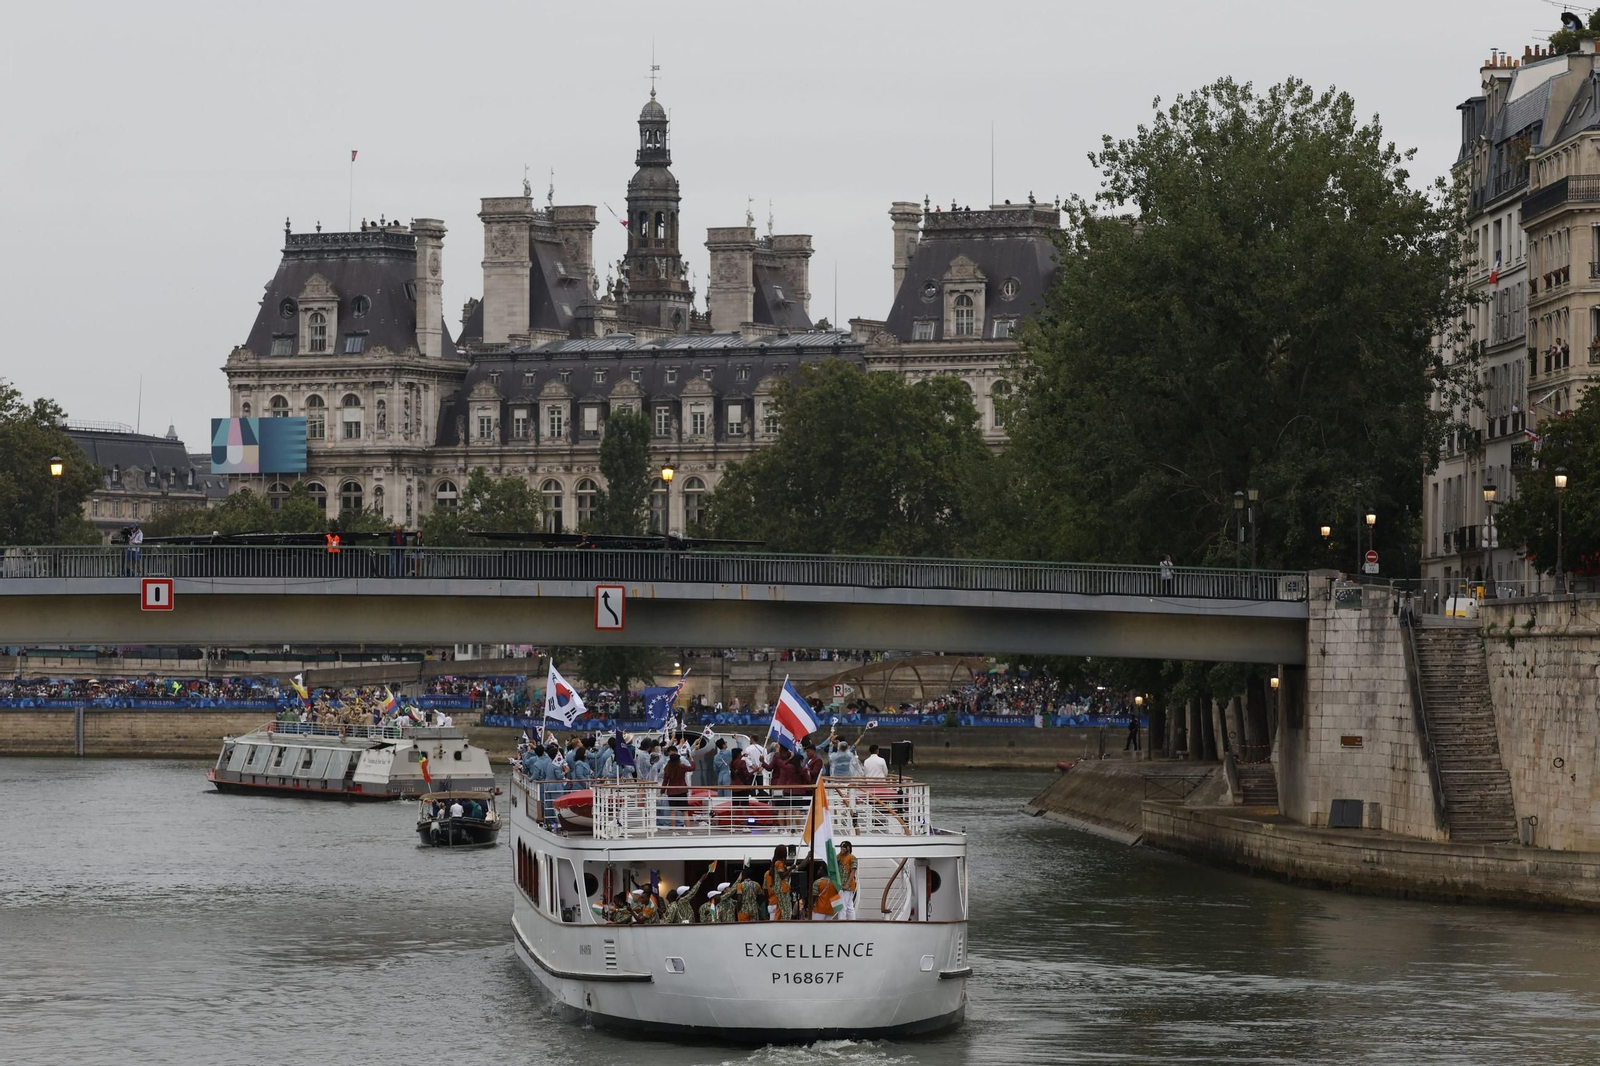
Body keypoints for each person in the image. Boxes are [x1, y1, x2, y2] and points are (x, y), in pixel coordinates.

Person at [764, 846, 794, 921]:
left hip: (777, 894)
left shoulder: (777, 864)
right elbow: (782, 876)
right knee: (785, 910)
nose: (786, 853)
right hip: (782, 889)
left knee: (782, 910)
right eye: (785, 851)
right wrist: (791, 868)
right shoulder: (779, 863)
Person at [837, 840, 858, 920]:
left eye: (844, 847)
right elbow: (833, 862)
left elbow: (853, 872)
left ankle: (841, 923)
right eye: (841, 847)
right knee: (849, 906)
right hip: (841, 885)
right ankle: (852, 921)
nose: (842, 849)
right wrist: (840, 853)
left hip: (847, 886)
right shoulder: (840, 857)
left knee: (842, 906)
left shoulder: (852, 858)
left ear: (848, 848)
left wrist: (847, 884)